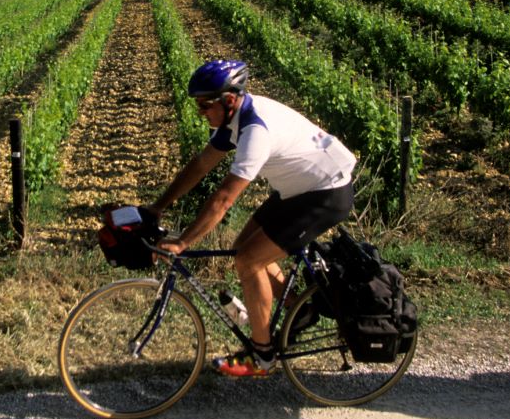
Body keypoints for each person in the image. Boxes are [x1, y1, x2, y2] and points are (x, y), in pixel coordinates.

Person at [150, 59, 356, 377]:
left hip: (325, 192)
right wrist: (157, 206)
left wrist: (183, 242)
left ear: (229, 100)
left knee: (249, 260)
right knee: (242, 246)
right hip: (299, 188)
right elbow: (201, 165)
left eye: (205, 105)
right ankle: (299, 310)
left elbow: (223, 200)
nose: (201, 112)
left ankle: (262, 357)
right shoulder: (234, 119)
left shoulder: (255, 131)